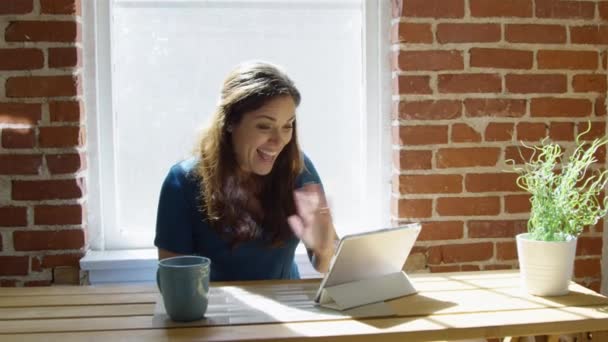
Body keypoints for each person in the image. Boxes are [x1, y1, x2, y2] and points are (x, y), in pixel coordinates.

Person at [154, 61, 338, 281]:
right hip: (216, 310)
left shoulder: (297, 168)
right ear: (230, 122)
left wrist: (325, 249)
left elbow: (324, 264)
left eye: (287, 126)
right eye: (264, 126)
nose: (279, 141)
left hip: (286, 306)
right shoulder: (182, 181)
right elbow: (173, 282)